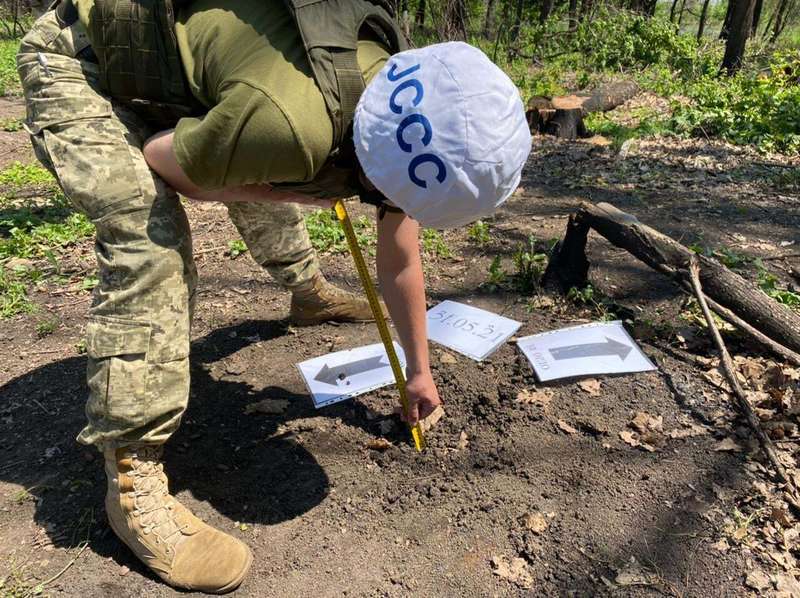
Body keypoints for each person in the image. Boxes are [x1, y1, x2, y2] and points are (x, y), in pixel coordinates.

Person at [17, 0, 531, 592]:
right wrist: (273, 184)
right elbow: (166, 161)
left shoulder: (408, 105)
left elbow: (401, 253)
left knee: (276, 165)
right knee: (148, 233)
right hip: (84, 61)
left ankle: (306, 293)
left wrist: (419, 372)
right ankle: (132, 480)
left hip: (226, 88)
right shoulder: (289, 126)